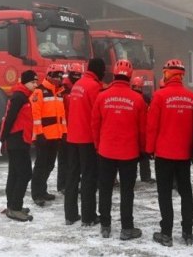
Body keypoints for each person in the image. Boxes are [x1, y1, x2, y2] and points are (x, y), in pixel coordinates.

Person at [92, 59, 147, 241]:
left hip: (106, 151)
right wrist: (141, 150)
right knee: (126, 192)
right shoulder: (138, 99)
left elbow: (95, 125)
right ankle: (127, 228)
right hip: (129, 153)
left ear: (114, 74)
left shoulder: (102, 96)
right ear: (130, 76)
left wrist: (99, 145)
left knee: (105, 189)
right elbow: (142, 130)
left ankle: (105, 225)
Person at [147, 59, 193, 247]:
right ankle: (188, 232)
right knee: (186, 193)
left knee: (164, 194)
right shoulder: (192, 98)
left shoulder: (160, 96)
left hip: (164, 153)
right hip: (183, 154)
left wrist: (149, 149)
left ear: (167, 73)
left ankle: (166, 233)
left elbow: (152, 126)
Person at [64, 58, 105, 227]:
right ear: (99, 71)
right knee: (88, 178)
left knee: (72, 176)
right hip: (87, 139)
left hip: (72, 137)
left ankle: (71, 215)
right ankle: (88, 217)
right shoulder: (94, 87)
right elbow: (98, 115)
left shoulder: (78, 85)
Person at [0, 70, 38, 222]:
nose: (36, 85)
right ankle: (15, 208)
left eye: (36, 82)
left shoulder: (22, 96)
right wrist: (3, 138)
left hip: (20, 140)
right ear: (26, 82)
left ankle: (12, 205)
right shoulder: (19, 97)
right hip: (17, 141)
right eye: (33, 82)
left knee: (15, 174)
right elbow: (9, 119)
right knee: (25, 173)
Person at [30, 63, 66, 206]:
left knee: (50, 165)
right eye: (57, 76)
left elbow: (62, 117)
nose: (59, 79)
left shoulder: (59, 92)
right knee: (40, 165)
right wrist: (39, 134)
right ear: (49, 76)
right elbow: (35, 115)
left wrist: (64, 133)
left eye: (60, 76)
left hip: (55, 136)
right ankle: (36, 193)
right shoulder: (39, 92)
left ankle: (42, 190)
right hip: (43, 137)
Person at [57, 63, 83, 194]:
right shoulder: (64, 88)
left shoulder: (79, 87)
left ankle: (72, 183)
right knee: (64, 158)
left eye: (79, 75)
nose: (77, 77)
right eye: (75, 75)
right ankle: (62, 184)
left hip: (75, 128)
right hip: (64, 128)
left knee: (73, 159)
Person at [131, 76, 155, 184]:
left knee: (131, 156)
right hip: (143, 129)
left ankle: (130, 176)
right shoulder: (145, 98)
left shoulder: (130, 96)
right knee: (143, 154)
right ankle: (145, 176)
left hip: (131, 130)